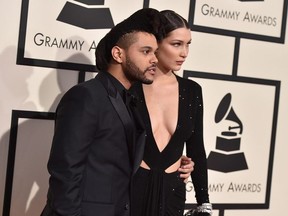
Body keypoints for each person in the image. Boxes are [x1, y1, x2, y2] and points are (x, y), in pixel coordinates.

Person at [40, 8, 193, 216]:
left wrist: (179, 159)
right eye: (146, 51)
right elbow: (65, 174)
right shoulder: (86, 96)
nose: (154, 59)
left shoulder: (129, 102)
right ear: (118, 54)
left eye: (155, 52)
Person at [131, 10, 212, 216]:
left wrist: (204, 204)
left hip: (173, 194)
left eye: (188, 44)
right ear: (156, 43)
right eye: (176, 44)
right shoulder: (131, 87)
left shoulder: (192, 91)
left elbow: (197, 150)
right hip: (131, 190)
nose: (184, 53)